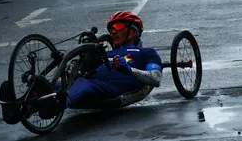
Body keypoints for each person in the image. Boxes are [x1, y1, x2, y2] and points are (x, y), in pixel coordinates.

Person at [34, 11, 163, 119]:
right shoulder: (106, 51)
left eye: (117, 27)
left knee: (83, 83)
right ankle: (24, 108)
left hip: (112, 87)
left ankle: (57, 107)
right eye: (111, 29)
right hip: (90, 82)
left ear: (133, 32)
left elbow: (155, 78)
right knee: (50, 85)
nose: (113, 32)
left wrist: (129, 69)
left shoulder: (146, 52)